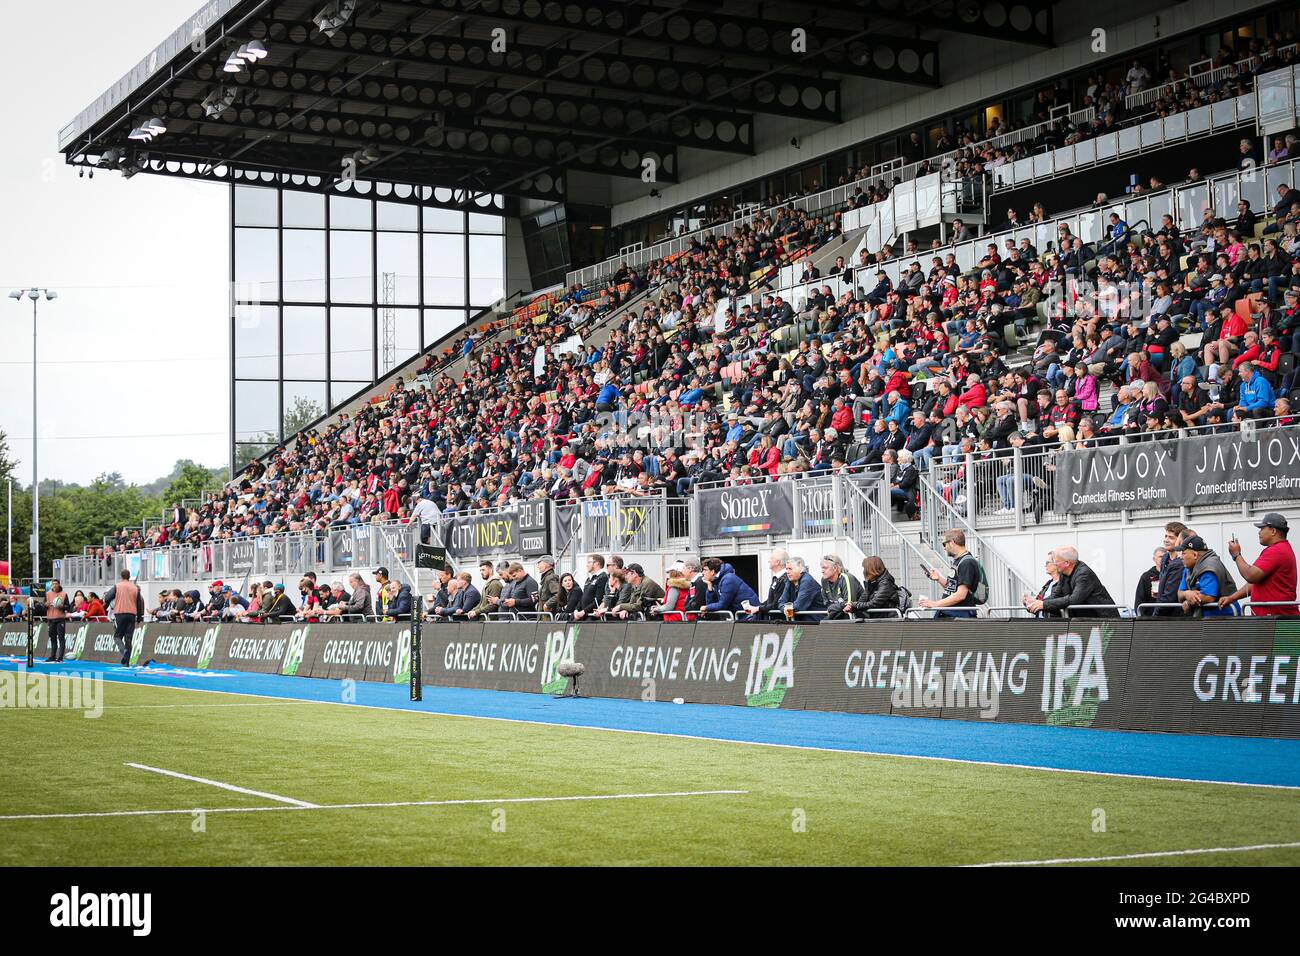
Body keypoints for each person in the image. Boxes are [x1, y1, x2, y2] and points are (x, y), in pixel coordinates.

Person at [1218, 513, 1297, 616]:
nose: (1259, 532)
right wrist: (1232, 598)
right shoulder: (1280, 549)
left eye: (1262, 528)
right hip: (1274, 618)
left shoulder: (1277, 550)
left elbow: (1251, 576)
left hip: (1278, 620)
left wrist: (1236, 555)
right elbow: (1255, 583)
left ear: (1273, 531)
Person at [1027, 547, 1118, 617]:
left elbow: (1074, 599)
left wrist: (1043, 604)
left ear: (1067, 563)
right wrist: (1036, 603)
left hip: (1104, 620)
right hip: (1086, 622)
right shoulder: (1064, 573)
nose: (1054, 564)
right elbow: (1056, 596)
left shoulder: (1084, 574)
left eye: (1056, 561)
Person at [919, 529, 982, 618]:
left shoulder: (967, 563)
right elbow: (953, 588)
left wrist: (935, 604)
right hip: (952, 614)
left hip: (959, 616)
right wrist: (938, 579)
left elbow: (961, 595)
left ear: (952, 542)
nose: (944, 548)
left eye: (944, 544)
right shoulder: (959, 561)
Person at [1177, 535, 1240, 617]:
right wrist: (1187, 594)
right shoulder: (1188, 568)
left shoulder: (1209, 567)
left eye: (1183, 553)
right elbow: (1179, 594)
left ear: (1195, 555)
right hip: (1206, 619)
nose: (1180, 557)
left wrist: (1189, 601)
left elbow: (1208, 597)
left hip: (1225, 618)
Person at [101, 570, 143, 665]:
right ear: (129, 576)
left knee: (117, 636)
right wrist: (139, 617)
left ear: (121, 576)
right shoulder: (135, 587)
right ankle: (126, 663)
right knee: (129, 638)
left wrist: (110, 602)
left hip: (120, 613)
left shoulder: (118, 586)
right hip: (132, 614)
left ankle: (123, 651)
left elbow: (107, 598)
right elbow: (139, 603)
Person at [741, 548, 789, 621]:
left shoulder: (784, 579)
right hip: (775, 620)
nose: (768, 560)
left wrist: (758, 608)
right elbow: (771, 600)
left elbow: (777, 604)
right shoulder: (777, 578)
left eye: (771, 558)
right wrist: (757, 607)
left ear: (777, 562)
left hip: (780, 622)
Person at [780, 556, 827, 621]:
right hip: (804, 621)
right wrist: (784, 609)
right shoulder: (789, 580)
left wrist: (787, 608)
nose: (787, 572)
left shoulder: (807, 581)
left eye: (790, 569)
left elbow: (798, 606)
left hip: (817, 621)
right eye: (786, 569)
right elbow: (781, 601)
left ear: (801, 569)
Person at [820, 554, 864, 620]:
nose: (822, 571)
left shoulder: (846, 577)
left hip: (858, 618)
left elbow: (849, 603)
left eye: (825, 568)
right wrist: (838, 605)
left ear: (835, 568)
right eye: (822, 568)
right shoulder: (824, 580)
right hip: (837, 616)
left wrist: (833, 607)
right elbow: (827, 603)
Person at [1024, 552, 1063, 618]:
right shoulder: (1048, 584)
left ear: (1056, 564)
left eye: (1047, 562)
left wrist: (1037, 602)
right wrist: (1028, 602)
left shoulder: (1063, 583)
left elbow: (1056, 602)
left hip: (1054, 623)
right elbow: (1037, 604)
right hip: (1041, 623)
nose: (1045, 565)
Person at [572, 554, 608, 621]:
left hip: (593, 616)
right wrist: (576, 610)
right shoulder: (589, 579)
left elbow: (598, 599)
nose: (587, 565)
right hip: (583, 615)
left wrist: (584, 611)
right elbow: (583, 597)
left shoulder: (603, 577)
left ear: (597, 564)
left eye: (589, 562)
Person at [1134, 548, 1166, 616]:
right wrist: (1141, 618)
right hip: (1150, 617)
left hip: (1167, 616)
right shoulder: (1146, 577)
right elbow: (1139, 599)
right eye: (1160, 557)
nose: (1163, 559)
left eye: (1165, 556)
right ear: (1154, 559)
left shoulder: (1171, 575)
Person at [45, 579, 70, 663]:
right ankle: (52, 656)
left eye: (56, 584)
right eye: (53, 584)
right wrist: (46, 605)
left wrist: (61, 606)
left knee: (61, 637)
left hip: (60, 618)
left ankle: (60, 657)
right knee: (52, 637)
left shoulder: (64, 594)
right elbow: (43, 604)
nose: (54, 585)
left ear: (59, 585)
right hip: (51, 619)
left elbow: (68, 606)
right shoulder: (48, 594)